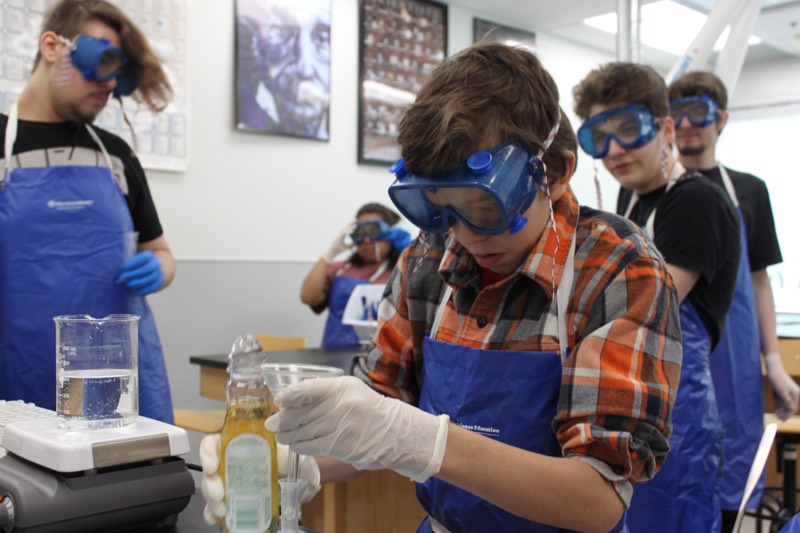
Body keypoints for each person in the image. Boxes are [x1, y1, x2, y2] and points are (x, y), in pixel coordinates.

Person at [202, 42, 683, 532]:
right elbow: (376, 414)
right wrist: (290, 464)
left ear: (553, 173)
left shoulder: (618, 270)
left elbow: (597, 499)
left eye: (484, 208)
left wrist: (427, 442)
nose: (467, 236)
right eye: (441, 208)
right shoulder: (432, 256)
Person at [573, 62, 742, 532]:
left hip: (675, 413)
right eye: (599, 137)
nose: (615, 150)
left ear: (665, 128)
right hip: (628, 395)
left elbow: (648, 304)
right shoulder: (631, 201)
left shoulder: (696, 201)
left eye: (629, 130)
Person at [0, 0, 176, 423]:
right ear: (51, 46)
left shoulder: (115, 155)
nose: (109, 83)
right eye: (102, 61)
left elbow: (163, 253)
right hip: (18, 372)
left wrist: (158, 267)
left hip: (115, 382)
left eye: (119, 73)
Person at [668, 70, 799, 532]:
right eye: (675, 113)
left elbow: (759, 280)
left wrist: (774, 363)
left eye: (698, 112)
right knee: (673, 476)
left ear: (721, 119)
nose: (686, 124)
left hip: (733, 355)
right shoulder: (649, 193)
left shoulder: (750, 190)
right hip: (673, 356)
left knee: (732, 474)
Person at [300, 202, 411, 348]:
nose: (366, 240)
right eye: (360, 232)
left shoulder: (403, 270)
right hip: (335, 354)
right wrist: (329, 254)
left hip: (386, 356)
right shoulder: (341, 269)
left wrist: (411, 255)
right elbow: (308, 297)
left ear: (390, 234)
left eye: (374, 231)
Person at [235, 0, 330, 140]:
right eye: (281, 32)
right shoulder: (247, 108)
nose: (305, 69)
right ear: (258, 44)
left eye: (323, 39)